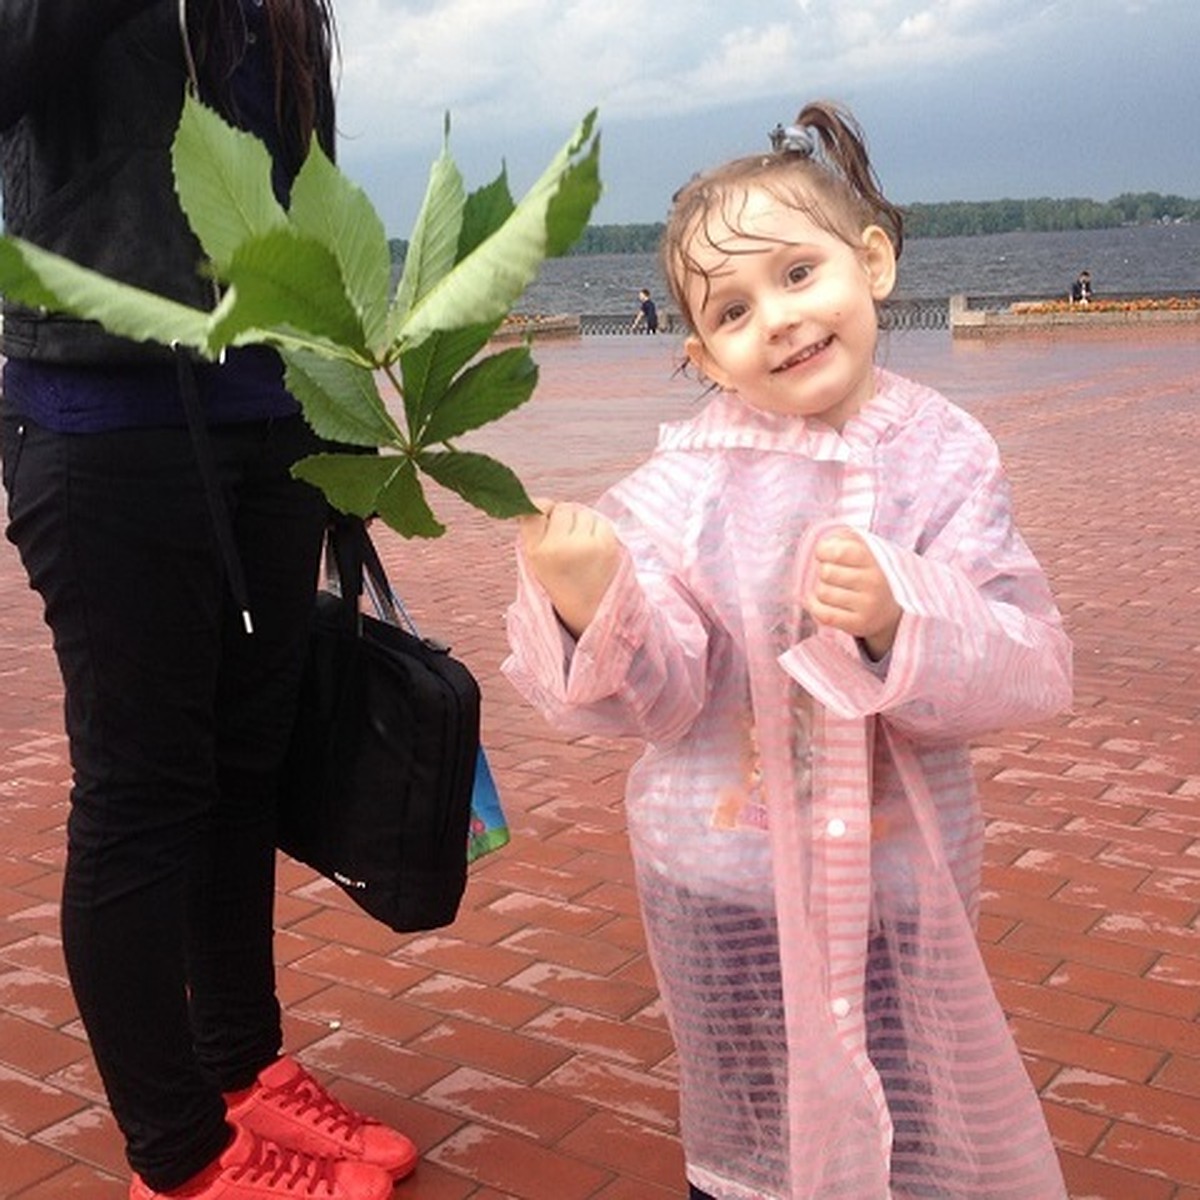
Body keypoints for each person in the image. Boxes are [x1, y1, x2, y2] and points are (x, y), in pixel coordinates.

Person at [504, 101, 1072, 1199]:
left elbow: (1027, 655)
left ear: (873, 263)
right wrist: (592, 598)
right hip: (727, 885)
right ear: (704, 356)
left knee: (907, 1111)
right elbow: (662, 699)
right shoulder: (688, 486)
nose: (778, 318)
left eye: (798, 273)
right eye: (732, 309)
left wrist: (904, 614)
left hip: (900, 880)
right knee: (752, 1122)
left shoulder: (943, 455)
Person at [0, 4, 417, 1198]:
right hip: (105, 417)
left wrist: (342, 407)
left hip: (270, 420)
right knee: (142, 793)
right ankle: (178, 1156)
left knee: (246, 768)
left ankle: (243, 1072)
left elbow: (306, 194)